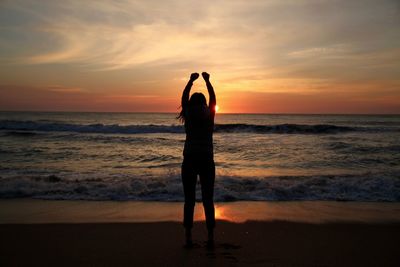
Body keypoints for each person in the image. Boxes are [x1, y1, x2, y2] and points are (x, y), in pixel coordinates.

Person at [178, 72, 216, 248]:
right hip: (207, 160)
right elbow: (214, 98)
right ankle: (210, 236)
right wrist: (208, 81)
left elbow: (184, 99)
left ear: (192, 103)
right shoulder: (209, 115)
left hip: (190, 159)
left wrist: (190, 81)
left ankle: (187, 236)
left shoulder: (189, 114)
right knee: (208, 199)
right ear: (204, 104)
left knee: (189, 200)